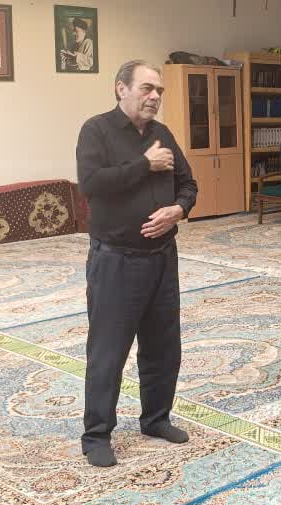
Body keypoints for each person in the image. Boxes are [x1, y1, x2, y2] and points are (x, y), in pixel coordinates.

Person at [75, 60, 197, 467]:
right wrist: (145, 165)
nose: (155, 96)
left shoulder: (163, 134)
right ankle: (96, 436)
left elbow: (188, 183)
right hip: (116, 262)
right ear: (121, 89)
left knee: (164, 346)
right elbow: (92, 184)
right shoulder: (97, 131)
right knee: (108, 351)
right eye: (147, 88)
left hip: (162, 258)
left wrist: (178, 210)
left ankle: (156, 419)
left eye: (159, 90)